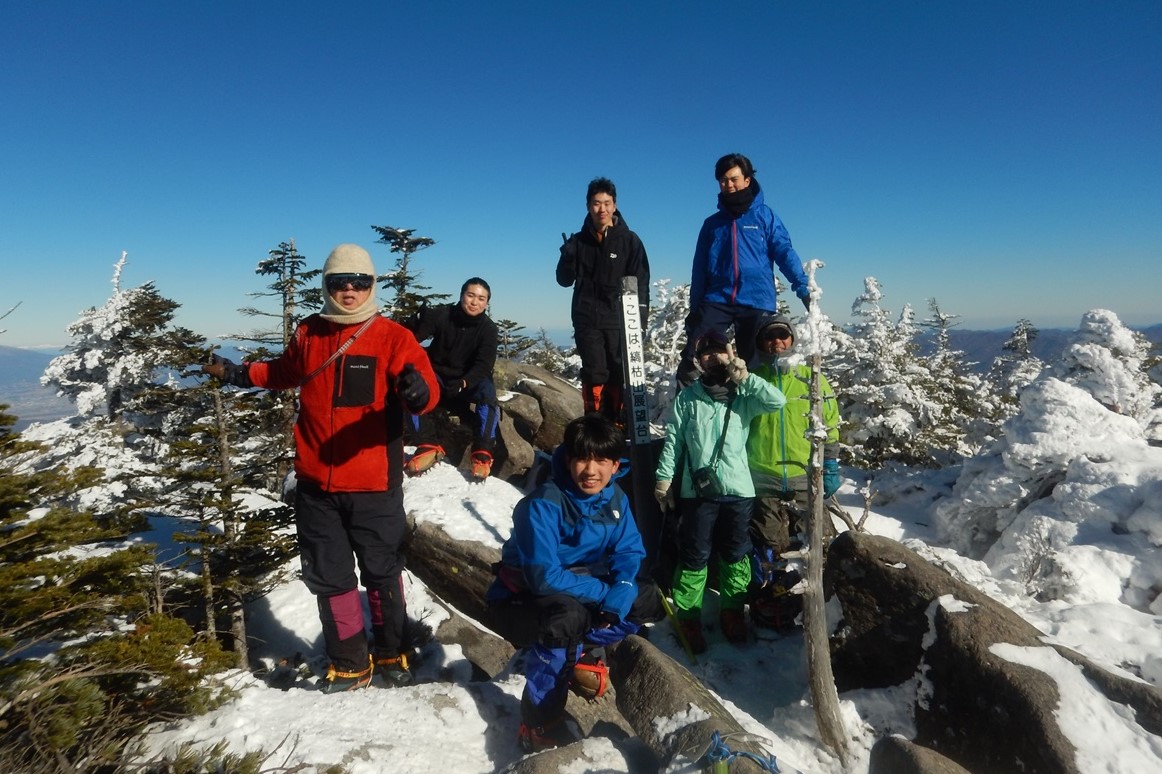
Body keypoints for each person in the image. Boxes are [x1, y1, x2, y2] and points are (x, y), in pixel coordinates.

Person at [202, 243, 440, 693]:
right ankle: (349, 663)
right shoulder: (310, 332)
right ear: (327, 285)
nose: (349, 290)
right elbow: (283, 373)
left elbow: (428, 388)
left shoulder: (393, 337)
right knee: (330, 578)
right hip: (315, 484)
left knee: (381, 572)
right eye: (338, 282)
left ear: (372, 285)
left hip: (373, 483)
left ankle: (391, 652)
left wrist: (417, 391)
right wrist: (237, 373)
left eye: (359, 282)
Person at [485, 414, 662, 753]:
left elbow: (629, 549)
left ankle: (573, 652)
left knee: (647, 599)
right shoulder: (540, 505)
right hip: (520, 597)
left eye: (602, 460)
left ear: (615, 465)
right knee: (567, 620)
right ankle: (538, 723)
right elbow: (544, 576)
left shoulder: (614, 498)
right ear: (568, 459)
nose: (591, 470)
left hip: (579, 588)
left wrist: (624, 585)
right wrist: (605, 593)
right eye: (583, 458)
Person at [654, 330, 785, 653]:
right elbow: (675, 442)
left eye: (718, 351)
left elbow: (776, 401)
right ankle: (688, 616)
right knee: (695, 555)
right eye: (706, 353)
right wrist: (663, 478)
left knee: (736, 553)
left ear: (730, 354)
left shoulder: (744, 396)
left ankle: (732, 612)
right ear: (698, 360)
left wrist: (746, 377)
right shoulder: (688, 398)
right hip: (697, 492)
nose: (713, 358)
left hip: (738, 489)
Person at [677, 152, 812, 386]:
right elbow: (699, 268)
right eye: (723, 180)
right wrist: (696, 307)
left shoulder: (765, 217)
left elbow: (784, 251)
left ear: (747, 180)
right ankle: (689, 415)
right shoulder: (712, 224)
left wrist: (803, 287)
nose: (728, 184)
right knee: (693, 356)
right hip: (717, 299)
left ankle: (758, 417)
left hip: (756, 299)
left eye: (734, 179)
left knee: (758, 363)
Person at [746, 314, 842, 629]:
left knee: (819, 541)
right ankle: (777, 604)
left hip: (805, 476)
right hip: (763, 478)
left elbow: (828, 426)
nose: (777, 342)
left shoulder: (812, 379)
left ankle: (826, 604)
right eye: (769, 337)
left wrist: (829, 464)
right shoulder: (751, 381)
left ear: (792, 340)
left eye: (782, 336)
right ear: (760, 343)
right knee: (771, 546)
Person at [556, 177, 650, 422]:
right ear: (588, 206)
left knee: (618, 373)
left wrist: (640, 321)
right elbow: (563, 281)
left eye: (607, 203)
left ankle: (617, 425)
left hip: (619, 320)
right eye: (597, 203)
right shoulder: (577, 241)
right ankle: (594, 424)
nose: (602, 209)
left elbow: (641, 282)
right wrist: (566, 258)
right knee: (595, 373)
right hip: (587, 318)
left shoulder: (629, 241)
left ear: (615, 204)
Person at [403, 277, 500, 480]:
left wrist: (464, 383)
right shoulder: (443, 314)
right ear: (462, 295)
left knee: (488, 393)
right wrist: (414, 325)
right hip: (436, 374)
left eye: (481, 299)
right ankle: (427, 444)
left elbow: (483, 365)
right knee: (408, 387)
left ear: (487, 303)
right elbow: (413, 338)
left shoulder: (488, 329)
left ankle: (482, 452)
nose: (474, 302)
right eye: (470, 295)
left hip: (467, 380)